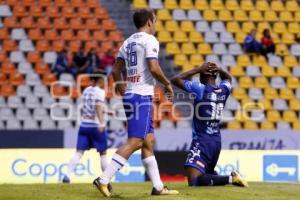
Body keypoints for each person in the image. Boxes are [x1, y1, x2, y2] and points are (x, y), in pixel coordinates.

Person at [93, 9, 179, 197]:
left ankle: (158, 187)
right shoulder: (150, 40)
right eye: (155, 21)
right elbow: (153, 67)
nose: (155, 25)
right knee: (136, 141)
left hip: (132, 94)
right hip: (141, 96)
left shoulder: (128, 41)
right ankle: (103, 179)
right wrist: (167, 83)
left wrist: (123, 91)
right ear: (149, 22)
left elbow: (116, 71)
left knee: (148, 141)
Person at [171, 63, 248, 187]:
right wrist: (221, 70)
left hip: (202, 141)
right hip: (216, 141)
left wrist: (196, 69)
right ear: (216, 76)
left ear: (201, 76)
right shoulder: (224, 89)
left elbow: (175, 80)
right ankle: (218, 177)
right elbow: (228, 78)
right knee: (208, 173)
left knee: (194, 180)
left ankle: (230, 179)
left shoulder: (200, 89)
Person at [62, 72, 109, 184]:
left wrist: (107, 111)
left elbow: (90, 106)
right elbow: (97, 106)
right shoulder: (100, 91)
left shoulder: (86, 90)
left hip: (84, 125)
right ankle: (106, 180)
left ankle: (66, 176)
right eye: (104, 80)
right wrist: (102, 123)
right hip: (95, 126)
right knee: (103, 153)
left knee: (78, 152)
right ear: (100, 80)